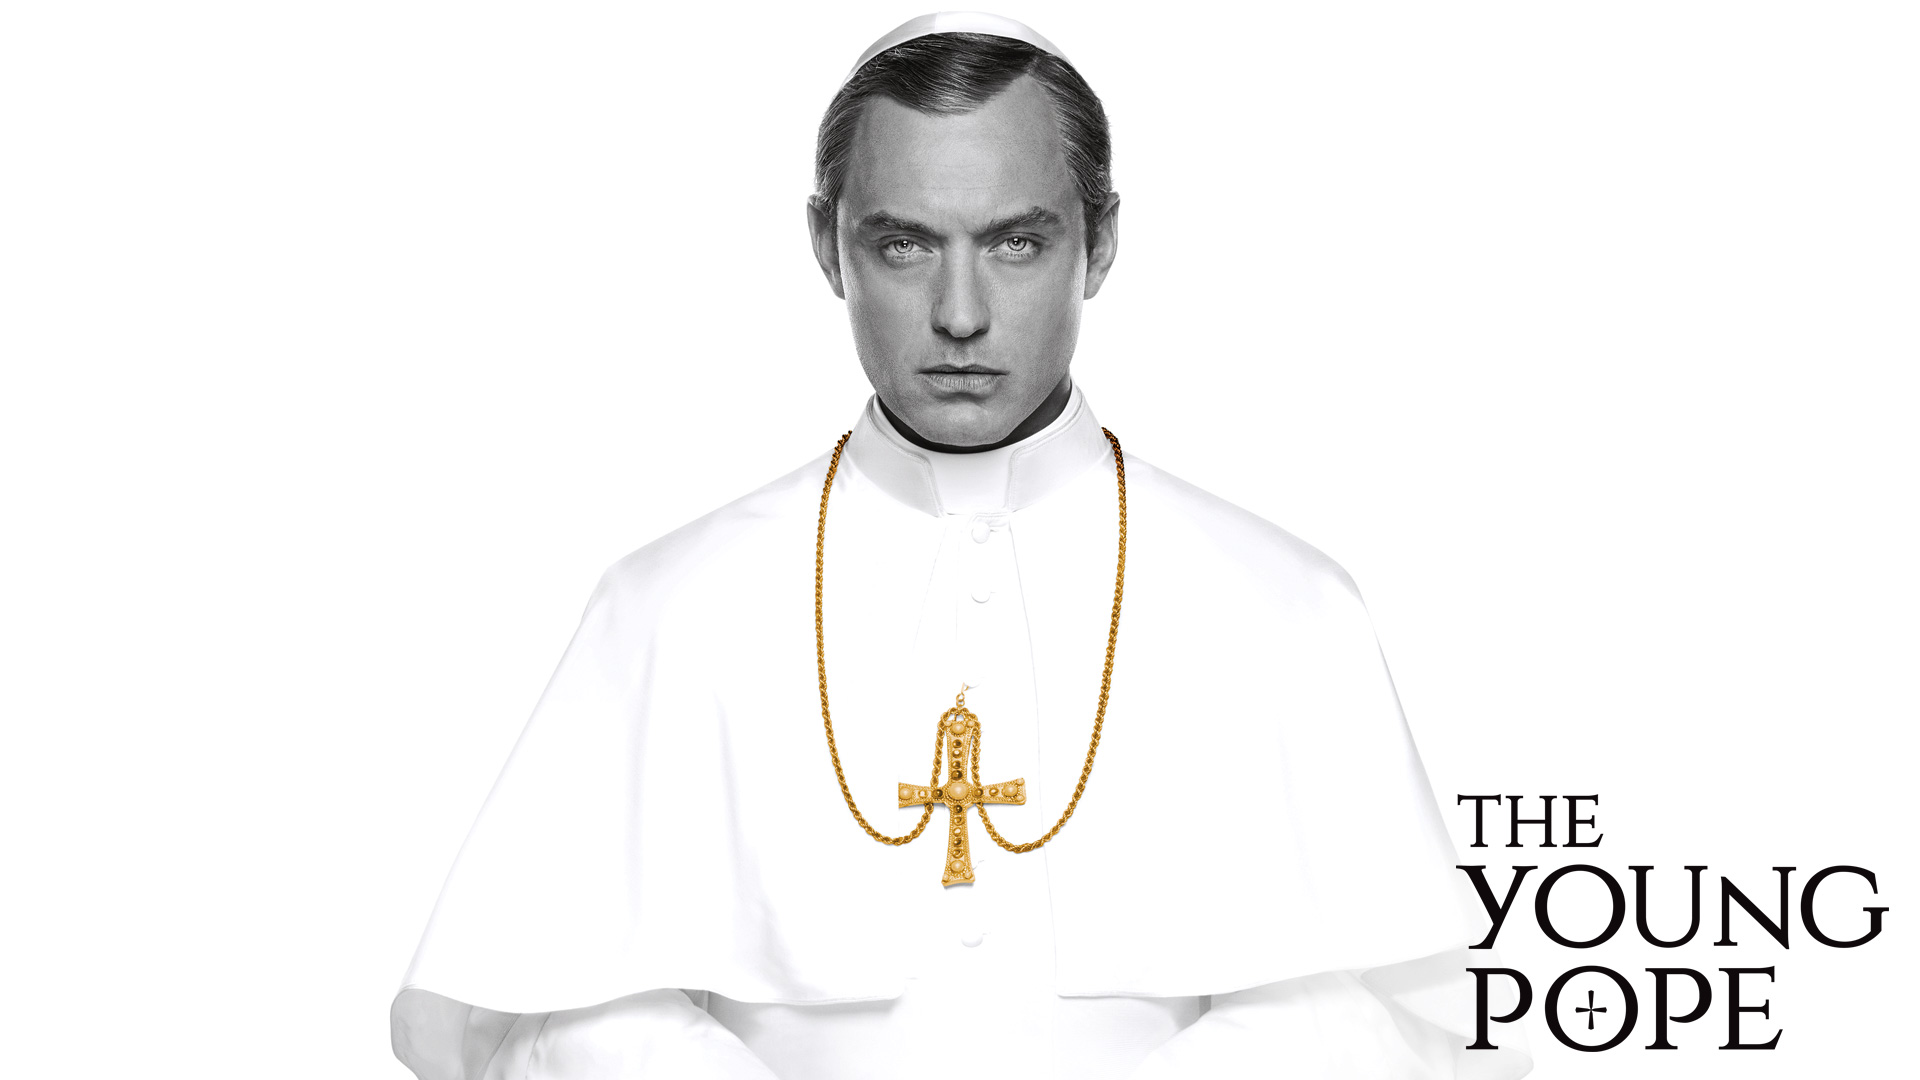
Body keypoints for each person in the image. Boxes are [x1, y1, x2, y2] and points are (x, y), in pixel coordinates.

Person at [391, 12, 1531, 1079]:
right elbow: (539, 1013)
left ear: (1101, 244)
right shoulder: (670, 606)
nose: (961, 314)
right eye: (903, 246)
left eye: (1016, 242)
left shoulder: (1282, 603)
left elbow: (1396, 1015)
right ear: (827, 249)